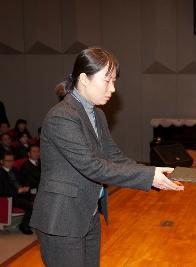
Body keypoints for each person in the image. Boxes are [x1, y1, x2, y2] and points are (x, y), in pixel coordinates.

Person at [29, 47, 184, 267]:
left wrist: (153, 172)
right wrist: (148, 176)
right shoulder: (62, 116)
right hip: (62, 220)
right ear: (84, 79)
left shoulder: (97, 113)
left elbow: (113, 156)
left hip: (88, 213)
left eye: (114, 81)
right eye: (107, 81)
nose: (113, 88)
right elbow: (92, 166)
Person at [0, 151, 34, 235]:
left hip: (21, 193)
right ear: (2, 161)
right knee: (30, 206)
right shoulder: (0, 173)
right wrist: (18, 191)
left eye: (12, 160)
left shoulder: (14, 170)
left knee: (39, 200)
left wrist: (26, 187)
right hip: (10, 197)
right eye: (8, 161)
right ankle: (24, 226)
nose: (11, 163)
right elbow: (2, 191)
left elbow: (22, 181)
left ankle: (33, 222)